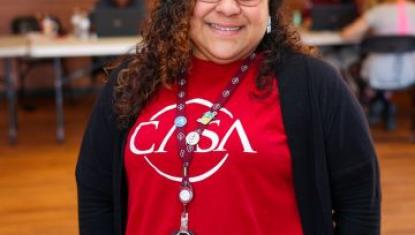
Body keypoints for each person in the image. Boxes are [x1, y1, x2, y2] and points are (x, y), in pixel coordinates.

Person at [76, 0, 381, 234]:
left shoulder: (315, 84)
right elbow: (96, 191)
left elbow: (359, 200)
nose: (228, 8)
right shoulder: (134, 78)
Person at [341, 0, 415, 130]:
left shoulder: (378, 12)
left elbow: (346, 34)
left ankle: (368, 105)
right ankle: (382, 101)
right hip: (410, 74)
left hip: (376, 74)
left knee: (349, 64)